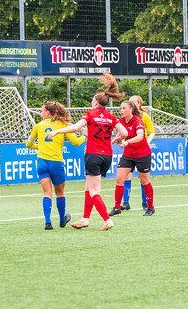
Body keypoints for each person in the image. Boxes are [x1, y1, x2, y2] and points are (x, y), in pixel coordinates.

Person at [47, 73, 128, 231]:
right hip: (107, 156)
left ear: (96, 103)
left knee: (93, 190)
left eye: (93, 100)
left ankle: (107, 219)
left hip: (93, 155)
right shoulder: (111, 117)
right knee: (88, 187)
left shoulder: (90, 114)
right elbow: (124, 132)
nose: (91, 102)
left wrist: (58, 132)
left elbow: (76, 127)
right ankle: (85, 218)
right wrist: (116, 139)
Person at [26, 101, 85, 230]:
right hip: (56, 163)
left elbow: (28, 144)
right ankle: (62, 220)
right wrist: (84, 137)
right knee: (60, 192)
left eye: (42, 110)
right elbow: (75, 142)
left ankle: (48, 222)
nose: (41, 112)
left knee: (47, 192)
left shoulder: (38, 126)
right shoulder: (63, 125)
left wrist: (40, 147)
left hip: (42, 162)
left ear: (48, 112)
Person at [109, 100, 156, 217]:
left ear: (131, 109)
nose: (121, 110)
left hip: (142, 154)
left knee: (145, 181)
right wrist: (113, 142)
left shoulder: (137, 120)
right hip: (128, 155)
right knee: (119, 179)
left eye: (124, 108)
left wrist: (127, 142)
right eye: (120, 108)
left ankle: (150, 207)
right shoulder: (121, 121)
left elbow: (140, 136)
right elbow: (120, 135)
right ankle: (117, 207)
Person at [121, 95, 155, 210]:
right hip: (129, 150)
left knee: (143, 178)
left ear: (139, 104)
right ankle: (125, 202)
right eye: (130, 102)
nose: (132, 104)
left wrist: (148, 142)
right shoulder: (127, 118)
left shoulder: (144, 116)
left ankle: (145, 203)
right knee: (126, 176)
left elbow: (152, 132)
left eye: (134, 102)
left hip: (141, 151)